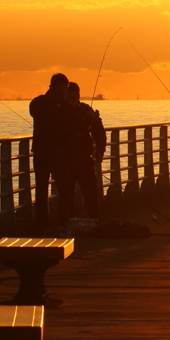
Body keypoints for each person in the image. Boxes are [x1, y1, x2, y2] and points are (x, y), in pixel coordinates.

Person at [29, 73, 73, 231]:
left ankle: (42, 223)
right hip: (57, 151)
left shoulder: (37, 102)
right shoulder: (65, 105)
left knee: (41, 188)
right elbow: (73, 124)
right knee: (64, 189)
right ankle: (62, 222)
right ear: (63, 87)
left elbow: (33, 112)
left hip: (40, 151)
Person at [61, 82, 106, 224]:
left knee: (90, 191)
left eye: (73, 98)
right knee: (66, 193)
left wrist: (100, 151)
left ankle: (95, 218)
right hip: (65, 159)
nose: (71, 101)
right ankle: (66, 220)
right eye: (68, 98)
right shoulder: (61, 111)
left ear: (78, 96)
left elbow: (99, 132)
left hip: (84, 158)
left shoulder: (86, 110)